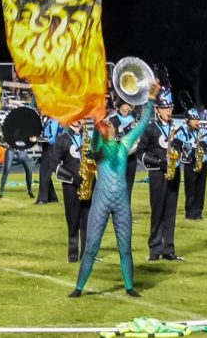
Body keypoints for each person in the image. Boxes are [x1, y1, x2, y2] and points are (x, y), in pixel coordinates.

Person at [68, 81, 159, 298]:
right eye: (106, 125)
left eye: (110, 125)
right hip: (101, 199)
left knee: (125, 247)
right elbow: (98, 123)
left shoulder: (124, 144)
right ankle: (78, 288)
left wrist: (151, 100)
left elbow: (143, 123)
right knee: (91, 246)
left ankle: (129, 287)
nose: (109, 126)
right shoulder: (98, 147)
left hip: (120, 202)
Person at [136, 86, 183, 260]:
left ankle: (169, 249)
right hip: (157, 174)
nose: (168, 111)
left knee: (171, 212)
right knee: (157, 211)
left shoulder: (176, 127)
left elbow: (185, 148)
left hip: (174, 172)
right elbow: (141, 152)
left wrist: (180, 147)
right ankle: (155, 249)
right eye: (165, 108)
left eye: (170, 108)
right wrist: (158, 163)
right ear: (157, 110)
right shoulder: (151, 129)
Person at [51, 119, 92, 263]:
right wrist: (74, 179)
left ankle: (86, 253)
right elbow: (54, 163)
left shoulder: (88, 138)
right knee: (73, 220)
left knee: (88, 220)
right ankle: (73, 253)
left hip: (88, 183)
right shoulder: (62, 139)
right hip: (70, 185)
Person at [173, 104, 207, 220]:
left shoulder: (203, 131)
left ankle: (199, 212)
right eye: (194, 119)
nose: (197, 121)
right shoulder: (182, 130)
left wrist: (206, 144)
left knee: (201, 188)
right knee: (190, 189)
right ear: (187, 120)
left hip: (203, 162)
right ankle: (190, 213)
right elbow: (176, 142)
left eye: (197, 119)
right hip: (189, 161)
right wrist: (191, 145)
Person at [108, 101, 140, 200]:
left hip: (131, 157)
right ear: (119, 105)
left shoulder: (135, 120)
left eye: (129, 105)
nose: (127, 108)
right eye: (125, 105)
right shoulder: (112, 120)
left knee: (128, 187)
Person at [35, 117, 60, 204]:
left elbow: (51, 140)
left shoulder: (54, 121)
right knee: (46, 174)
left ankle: (42, 199)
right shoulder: (48, 120)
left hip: (51, 149)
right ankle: (52, 198)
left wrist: (37, 139)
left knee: (44, 174)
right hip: (46, 149)